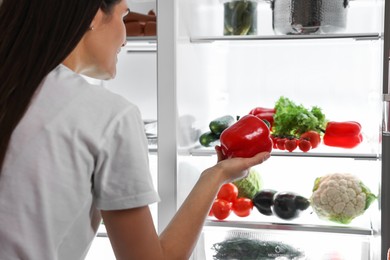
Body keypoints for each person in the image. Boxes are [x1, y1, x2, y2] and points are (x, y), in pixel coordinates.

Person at [0, 0, 271, 259]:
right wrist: (216, 175)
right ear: (95, 15)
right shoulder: (107, 115)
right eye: (123, 15)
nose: (125, 38)